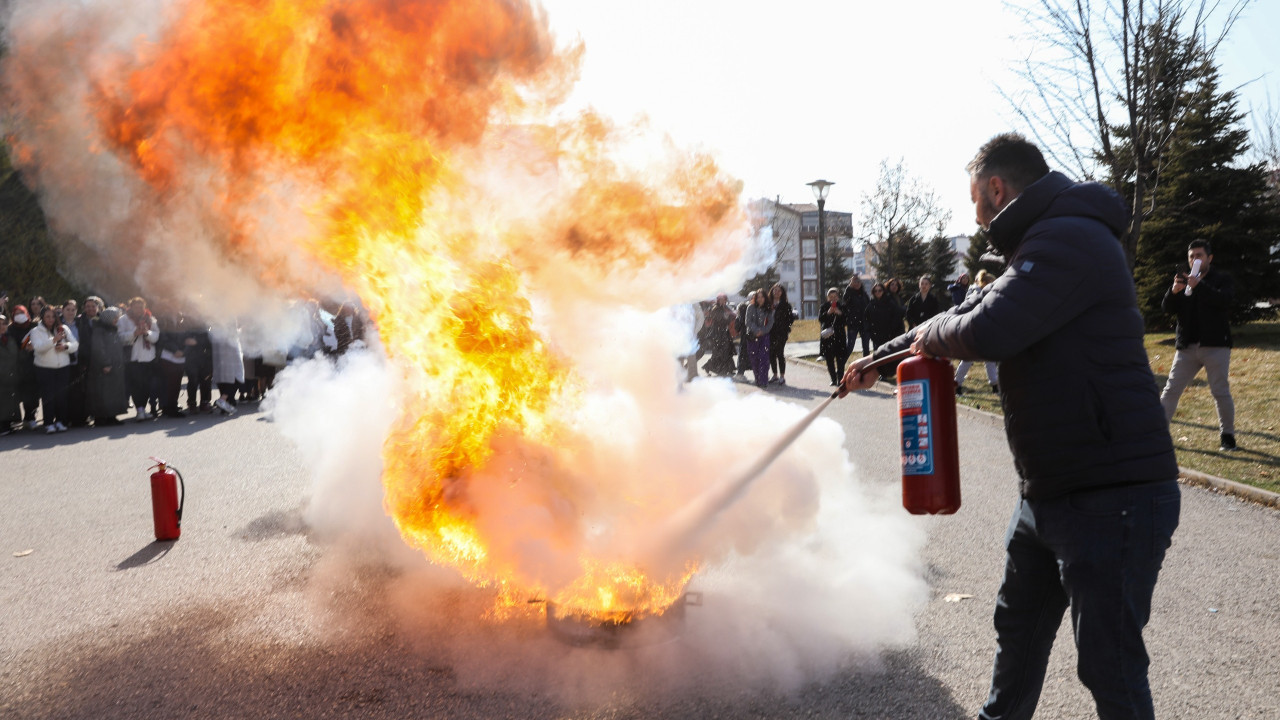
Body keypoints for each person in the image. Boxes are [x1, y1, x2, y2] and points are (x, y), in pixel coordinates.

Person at [841, 133, 1180, 720]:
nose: (974, 216)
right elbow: (959, 315)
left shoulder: (1068, 238)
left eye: (975, 200)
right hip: (1050, 492)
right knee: (1017, 636)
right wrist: (876, 362)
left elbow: (991, 328)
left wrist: (929, 340)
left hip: (1111, 494)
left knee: (1110, 665)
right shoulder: (1035, 245)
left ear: (996, 189)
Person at [1159, 239, 1237, 451]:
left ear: (1209, 258)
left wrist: (1199, 286)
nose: (1195, 259)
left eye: (1199, 255)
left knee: (1220, 391)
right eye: (1191, 256)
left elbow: (1224, 300)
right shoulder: (1183, 279)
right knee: (1171, 390)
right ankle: (1158, 435)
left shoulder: (1221, 279)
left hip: (1215, 346)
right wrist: (1173, 291)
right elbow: (1167, 308)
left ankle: (1228, 436)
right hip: (1187, 347)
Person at [29, 305, 79, 433]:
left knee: (62, 396)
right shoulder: (36, 331)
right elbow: (38, 348)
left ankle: (60, 421)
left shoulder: (63, 328)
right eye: (47, 317)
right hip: (44, 368)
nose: (51, 319)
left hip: (63, 367)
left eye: (53, 316)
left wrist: (65, 346)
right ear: (42, 318)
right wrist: (53, 340)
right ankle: (49, 423)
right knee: (48, 397)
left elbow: (75, 344)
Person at [953, 270, 999, 395]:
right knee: (968, 358)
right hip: (974, 329)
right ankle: (957, 384)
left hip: (984, 329)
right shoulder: (976, 294)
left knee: (989, 358)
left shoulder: (982, 293)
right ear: (987, 284)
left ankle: (994, 384)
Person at [117, 296, 160, 421]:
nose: (139, 309)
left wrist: (147, 333)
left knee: (146, 385)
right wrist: (134, 333)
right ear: (131, 307)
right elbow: (119, 337)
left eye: (141, 307)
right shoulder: (124, 320)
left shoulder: (150, 319)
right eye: (136, 307)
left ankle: (143, 409)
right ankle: (139, 410)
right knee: (136, 385)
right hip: (132, 358)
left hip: (148, 357)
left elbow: (156, 336)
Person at [88, 307, 128, 426]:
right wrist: (105, 363)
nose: (117, 320)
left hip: (115, 366)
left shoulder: (113, 329)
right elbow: (98, 348)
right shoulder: (100, 330)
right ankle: (100, 418)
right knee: (103, 393)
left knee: (113, 392)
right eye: (115, 318)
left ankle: (112, 416)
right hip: (104, 367)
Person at [7, 304, 40, 429]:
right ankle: (15, 419)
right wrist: (23, 350)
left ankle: (30, 418)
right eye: (16, 314)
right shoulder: (10, 329)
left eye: (22, 313)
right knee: (21, 394)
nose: (19, 316)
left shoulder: (34, 326)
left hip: (35, 364)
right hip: (18, 366)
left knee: (33, 394)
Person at [699, 294, 737, 376]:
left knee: (727, 350)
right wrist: (726, 317)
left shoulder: (725, 307)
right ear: (718, 300)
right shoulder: (715, 308)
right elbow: (718, 319)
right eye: (721, 299)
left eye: (724, 299)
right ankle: (709, 367)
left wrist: (729, 317)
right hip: (717, 333)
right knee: (719, 352)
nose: (722, 301)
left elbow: (730, 317)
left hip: (724, 332)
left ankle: (728, 369)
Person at [744, 288, 774, 389]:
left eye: (762, 297)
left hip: (764, 337)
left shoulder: (769, 309)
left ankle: (764, 380)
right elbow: (748, 322)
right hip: (752, 336)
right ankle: (758, 379)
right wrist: (756, 330)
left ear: (765, 298)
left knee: (764, 358)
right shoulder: (750, 308)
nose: (760, 299)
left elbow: (770, 323)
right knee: (754, 358)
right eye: (758, 297)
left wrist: (763, 331)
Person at [817, 288, 847, 386]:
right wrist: (828, 313)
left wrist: (840, 313)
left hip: (839, 336)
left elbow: (846, 321)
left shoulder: (842, 306)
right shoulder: (824, 306)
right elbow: (821, 319)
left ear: (838, 297)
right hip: (828, 337)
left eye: (835, 297)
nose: (833, 299)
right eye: (831, 297)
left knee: (840, 359)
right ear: (827, 298)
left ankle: (841, 379)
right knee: (829, 359)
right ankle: (833, 379)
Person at [767, 284, 795, 385]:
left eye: (779, 291)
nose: (777, 292)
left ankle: (782, 376)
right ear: (772, 291)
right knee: (771, 354)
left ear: (782, 293)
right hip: (770, 332)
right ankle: (775, 375)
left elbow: (791, 319)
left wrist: (785, 327)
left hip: (781, 333)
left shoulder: (786, 305)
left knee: (780, 353)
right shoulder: (768, 304)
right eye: (775, 290)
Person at [841, 275, 871, 358]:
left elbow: (869, 307)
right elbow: (844, 299)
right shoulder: (849, 293)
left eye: (858, 282)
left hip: (864, 324)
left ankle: (866, 367)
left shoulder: (864, 294)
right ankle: (841, 365)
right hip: (853, 324)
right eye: (854, 282)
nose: (857, 284)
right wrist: (850, 286)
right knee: (850, 346)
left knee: (866, 348)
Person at [0, 314, 19, 435]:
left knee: (7, 401)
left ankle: (6, 425)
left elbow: (15, 356)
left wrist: (27, 351)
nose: (2, 326)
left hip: (10, 375)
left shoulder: (10, 338)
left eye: (4, 323)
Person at [734, 291, 753, 377]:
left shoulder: (760, 307)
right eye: (752, 298)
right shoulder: (743, 308)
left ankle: (760, 374)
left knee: (757, 355)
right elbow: (739, 323)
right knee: (743, 354)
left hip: (757, 335)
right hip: (746, 336)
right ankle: (740, 373)